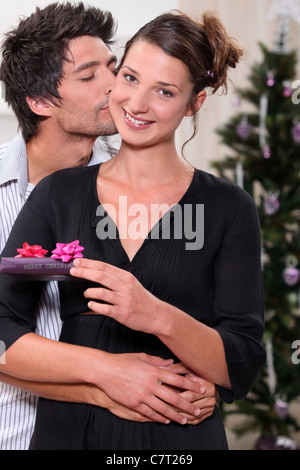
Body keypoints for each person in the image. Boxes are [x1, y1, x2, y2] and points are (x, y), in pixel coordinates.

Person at [0, 10, 265, 450]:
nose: (135, 103)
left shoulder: (228, 208)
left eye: (164, 91)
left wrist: (156, 314)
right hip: (67, 432)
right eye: (129, 78)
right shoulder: (56, 195)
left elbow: (241, 361)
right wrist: (107, 373)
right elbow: (4, 326)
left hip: (180, 439)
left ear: (194, 102)